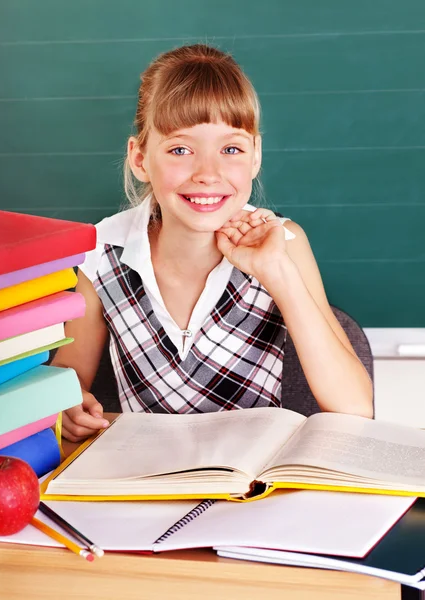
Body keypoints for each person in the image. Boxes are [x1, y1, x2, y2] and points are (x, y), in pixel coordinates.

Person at [53, 44, 373, 442]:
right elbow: (67, 380)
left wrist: (277, 272)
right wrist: (68, 404)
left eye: (231, 149)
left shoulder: (283, 243)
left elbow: (356, 408)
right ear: (140, 159)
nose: (208, 173)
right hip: (145, 479)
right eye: (181, 149)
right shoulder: (103, 250)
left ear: (255, 155)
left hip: (250, 486)